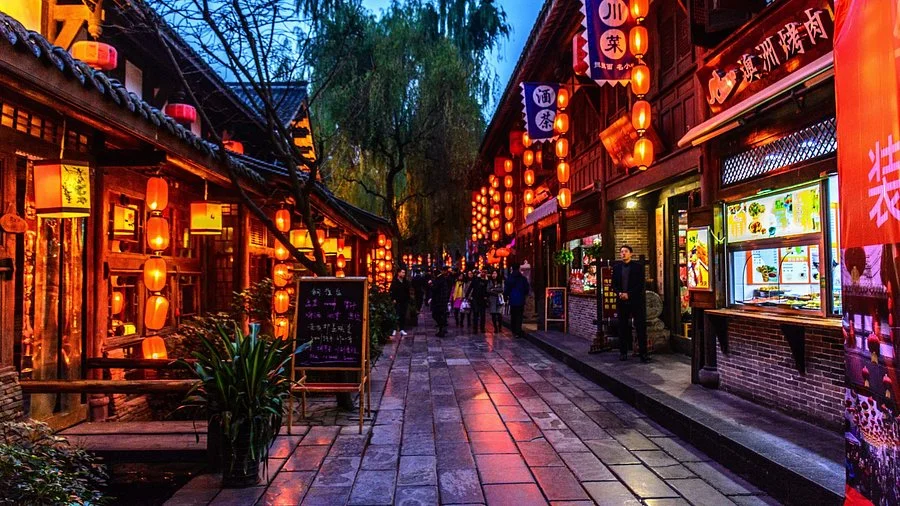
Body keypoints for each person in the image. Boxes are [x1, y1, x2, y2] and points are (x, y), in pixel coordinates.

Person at [612, 244, 649, 363]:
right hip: (621, 300)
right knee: (622, 327)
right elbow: (614, 284)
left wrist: (629, 294)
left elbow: (640, 284)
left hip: (636, 301)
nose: (623, 253)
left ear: (631, 253)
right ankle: (623, 352)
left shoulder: (638, 267)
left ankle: (643, 353)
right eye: (621, 252)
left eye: (626, 251)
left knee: (640, 327)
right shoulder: (617, 267)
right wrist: (619, 293)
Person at [504, 263, 530, 338]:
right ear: (519, 268)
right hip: (520, 299)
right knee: (519, 315)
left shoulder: (510, 278)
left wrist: (506, 297)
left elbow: (507, 289)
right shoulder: (523, 278)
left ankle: (514, 330)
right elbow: (526, 289)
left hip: (512, 299)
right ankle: (518, 331)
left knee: (514, 315)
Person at [430, 267, 451, 337]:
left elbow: (435, 289)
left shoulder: (439, 279)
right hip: (441, 301)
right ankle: (442, 329)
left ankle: (442, 328)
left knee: (436, 315)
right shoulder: (442, 279)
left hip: (439, 301)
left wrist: (431, 284)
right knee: (440, 315)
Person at [389, 268, 411, 337]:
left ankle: (402, 329)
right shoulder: (395, 281)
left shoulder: (405, 282)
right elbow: (391, 291)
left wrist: (408, 299)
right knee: (396, 315)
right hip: (397, 301)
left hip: (404, 301)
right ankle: (394, 329)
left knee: (402, 315)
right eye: (402, 272)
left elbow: (408, 291)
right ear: (398, 273)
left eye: (404, 273)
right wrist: (393, 299)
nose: (403, 274)